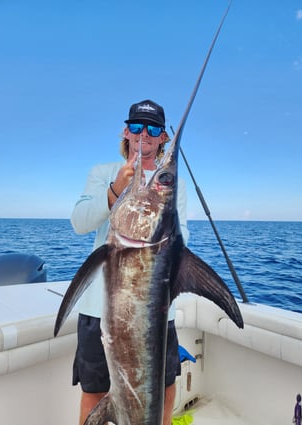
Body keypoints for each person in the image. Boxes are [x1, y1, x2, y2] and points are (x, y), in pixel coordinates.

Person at [70, 99, 189, 425]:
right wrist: (116, 191)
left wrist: (157, 230)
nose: (144, 135)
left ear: (163, 137)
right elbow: (79, 223)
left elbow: (184, 239)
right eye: (136, 126)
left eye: (153, 129)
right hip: (100, 309)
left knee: (164, 389)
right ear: (126, 131)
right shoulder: (103, 173)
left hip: (155, 313)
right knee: (95, 393)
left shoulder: (172, 184)